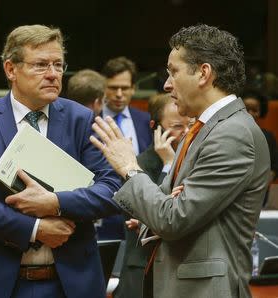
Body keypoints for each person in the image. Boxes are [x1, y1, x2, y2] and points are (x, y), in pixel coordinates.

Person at [91, 24, 270, 298]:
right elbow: (167, 207)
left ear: (204, 73)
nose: (166, 84)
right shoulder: (203, 129)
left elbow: (173, 218)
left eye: (173, 71)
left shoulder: (232, 133)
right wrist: (155, 216)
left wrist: (130, 168)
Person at [0, 24, 121, 298]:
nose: (53, 75)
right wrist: (35, 229)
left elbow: (113, 191)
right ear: (11, 70)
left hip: (71, 283)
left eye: (58, 65)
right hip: (1, 283)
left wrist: (56, 203)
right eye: (41, 65)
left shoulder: (81, 119)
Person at [113, 93, 190, 298]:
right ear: (156, 127)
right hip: (141, 270)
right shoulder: (136, 165)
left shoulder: (196, 158)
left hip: (181, 270)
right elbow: (158, 213)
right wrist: (168, 165)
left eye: (189, 124)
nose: (186, 133)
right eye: (177, 127)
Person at [96, 57, 152, 240]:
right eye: (113, 88)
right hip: (100, 209)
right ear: (103, 87)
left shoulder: (145, 121)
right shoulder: (89, 120)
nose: (119, 94)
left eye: (125, 88)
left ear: (133, 88)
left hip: (139, 209)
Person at [242, 90, 278, 206]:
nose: (250, 113)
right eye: (246, 109)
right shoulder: (229, 134)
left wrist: (264, 184)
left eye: (255, 110)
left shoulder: (268, 137)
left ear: (261, 112)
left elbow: (274, 165)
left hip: (259, 191)